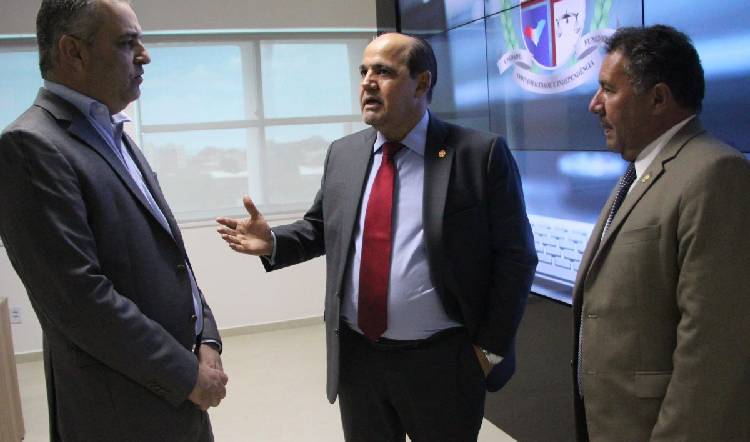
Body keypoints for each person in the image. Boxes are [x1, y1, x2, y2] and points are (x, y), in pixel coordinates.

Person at [216, 32, 537, 441]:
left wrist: (489, 349)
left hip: (443, 362)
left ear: (422, 83)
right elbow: (322, 227)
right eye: (363, 71)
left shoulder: (478, 154)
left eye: (383, 72)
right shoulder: (344, 153)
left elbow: (516, 257)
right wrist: (274, 242)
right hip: (359, 361)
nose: (367, 82)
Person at [0, 1, 228, 440]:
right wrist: (186, 375)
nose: (145, 55)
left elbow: (171, 258)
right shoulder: (31, 146)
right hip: (119, 412)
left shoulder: (112, 132)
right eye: (127, 43)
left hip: (177, 398)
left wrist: (207, 340)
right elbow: (79, 299)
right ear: (73, 51)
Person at [573, 24, 750, 441]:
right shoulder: (639, 171)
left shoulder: (715, 173)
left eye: (608, 90)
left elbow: (712, 346)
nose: (594, 104)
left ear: (658, 98)